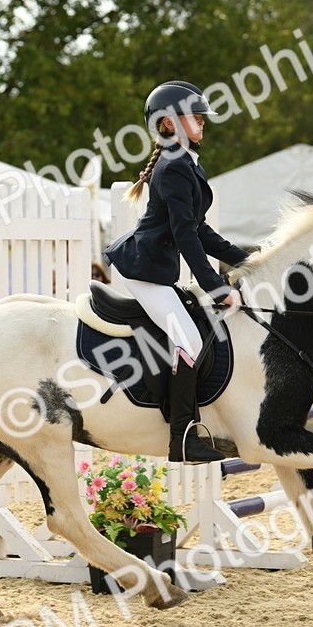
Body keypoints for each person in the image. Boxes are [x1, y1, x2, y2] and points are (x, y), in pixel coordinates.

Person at [103, 80, 250, 463]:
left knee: (192, 333)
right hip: (145, 269)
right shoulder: (172, 168)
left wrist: (246, 259)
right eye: (194, 116)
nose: (202, 121)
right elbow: (186, 237)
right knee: (189, 339)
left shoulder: (183, 162)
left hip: (156, 268)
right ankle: (182, 436)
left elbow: (199, 229)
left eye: (201, 116)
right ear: (168, 124)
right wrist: (217, 287)